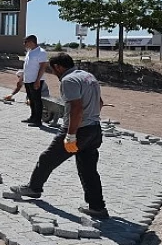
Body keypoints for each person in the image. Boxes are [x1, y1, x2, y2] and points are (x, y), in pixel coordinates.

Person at [10, 53, 109, 219]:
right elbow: (99, 103)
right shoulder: (88, 76)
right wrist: (91, 119)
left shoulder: (69, 80)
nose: (53, 73)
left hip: (78, 130)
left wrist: (71, 135)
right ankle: (97, 208)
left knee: (48, 158)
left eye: (52, 69)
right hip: (94, 130)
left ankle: (34, 188)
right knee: (88, 170)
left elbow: (76, 108)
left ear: (58, 67)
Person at [21, 35, 48, 127]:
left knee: (37, 100)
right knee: (31, 99)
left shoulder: (41, 52)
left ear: (32, 42)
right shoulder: (29, 52)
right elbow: (26, 66)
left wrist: (37, 80)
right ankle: (32, 117)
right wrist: (22, 78)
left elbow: (43, 67)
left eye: (26, 42)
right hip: (28, 80)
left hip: (36, 80)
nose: (24, 44)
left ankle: (38, 120)